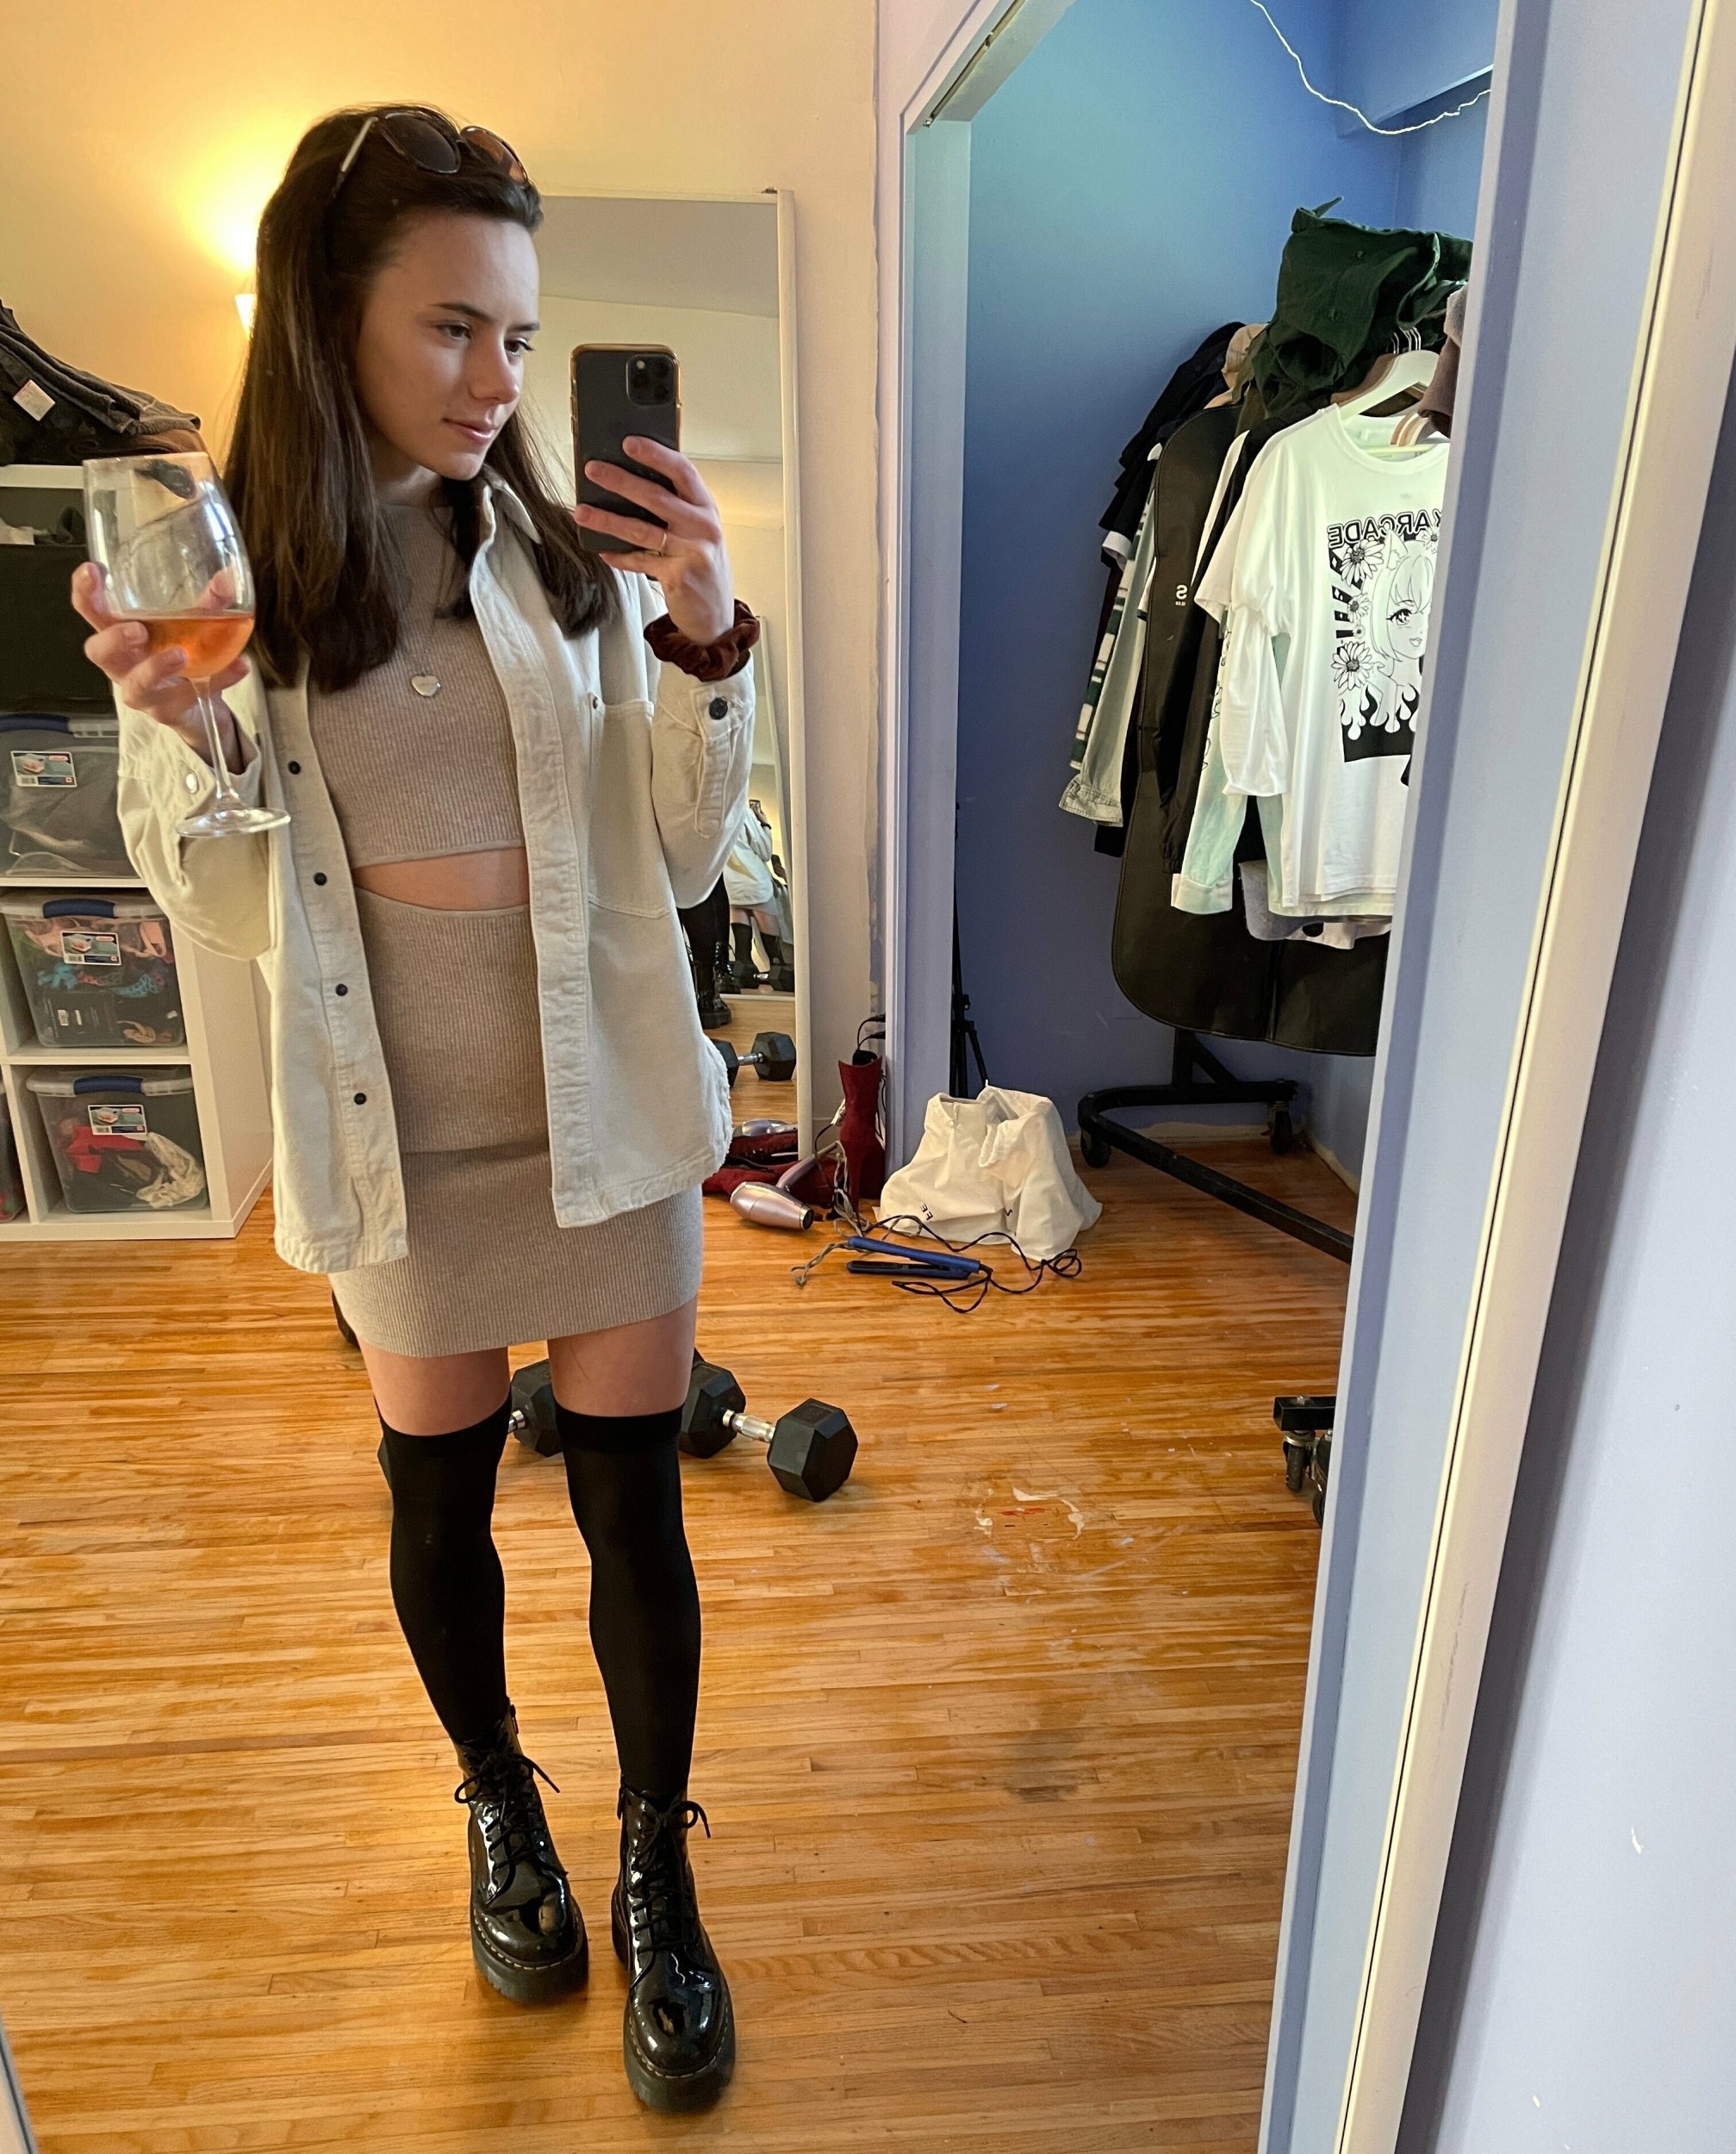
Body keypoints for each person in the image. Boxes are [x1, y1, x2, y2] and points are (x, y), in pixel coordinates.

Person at [72, 103, 759, 2113]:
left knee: (634, 1508)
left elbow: (688, 851)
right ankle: (499, 1802)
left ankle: (657, 1865)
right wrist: (189, 738)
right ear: (328, 314)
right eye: (454, 327)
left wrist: (706, 633)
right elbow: (218, 907)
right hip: (397, 1136)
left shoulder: (564, 555)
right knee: (438, 1502)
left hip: (604, 1114)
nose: (497, 381)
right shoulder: (233, 583)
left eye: (520, 337)